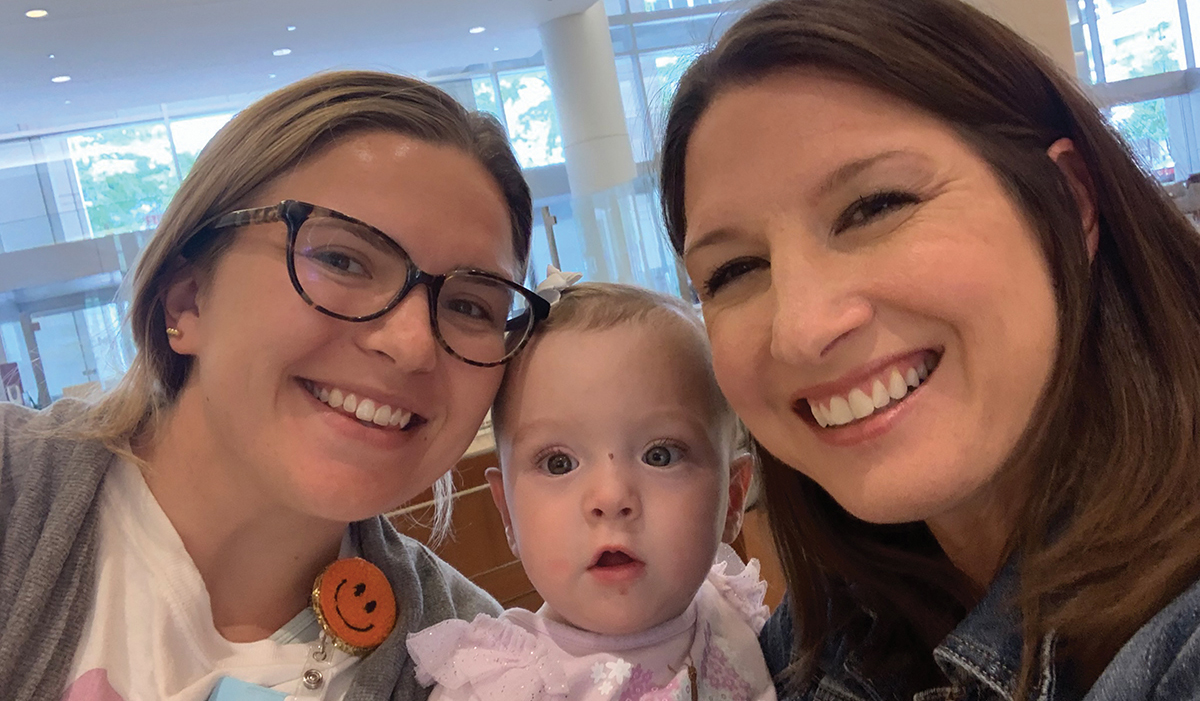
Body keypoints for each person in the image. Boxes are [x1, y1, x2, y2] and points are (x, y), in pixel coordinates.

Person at [657, 0, 1200, 699]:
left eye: (876, 205)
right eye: (733, 271)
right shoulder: (819, 639)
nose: (801, 328)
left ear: (1067, 199)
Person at [0, 70, 553, 701]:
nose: (410, 345)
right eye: (343, 260)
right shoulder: (17, 496)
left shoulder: (471, 666)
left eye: (472, 306)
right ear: (187, 300)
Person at [405, 282, 776, 700]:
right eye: (558, 463)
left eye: (661, 456)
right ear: (507, 512)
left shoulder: (735, 616)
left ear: (732, 498)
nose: (611, 497)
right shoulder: (499, 687)